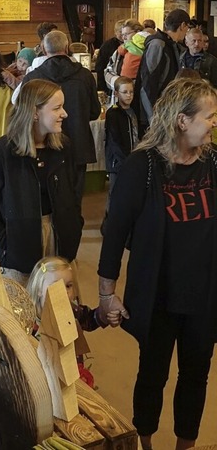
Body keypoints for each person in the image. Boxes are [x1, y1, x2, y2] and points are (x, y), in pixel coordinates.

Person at [98, 78, 217, 450]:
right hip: (159, 294)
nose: (214, 122)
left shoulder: (213, 162)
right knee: (152, 374)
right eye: (209, 116)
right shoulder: (143, 166)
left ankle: (186, 444)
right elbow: (114, 233)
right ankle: (144, 442)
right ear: (182, 121)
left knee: (196, 374)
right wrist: (107, 294)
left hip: (205, 295)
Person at [0, 79, 83, 285]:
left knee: (60, 312)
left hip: (61, 248)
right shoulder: (2, 153)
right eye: (57, 108)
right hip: (20, 254)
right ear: (35, 113)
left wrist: (75, 226)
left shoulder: (64, 148)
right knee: (23, 314)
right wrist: (5, 242)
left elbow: (73, 194)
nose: (65, 113)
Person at [22, 30, 101, 206]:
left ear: (43, 48)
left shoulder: (33, 77)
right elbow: (95, 112)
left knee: (46, 198)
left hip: (44, 144)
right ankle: (73, 231)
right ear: (67, 47)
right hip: (77, 142)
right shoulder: (84, 76)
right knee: (74, 198)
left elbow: (25, 112)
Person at [27, 256, 116, 388]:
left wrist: (106, 314)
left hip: (72, 367)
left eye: (68, 286)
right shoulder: (30, 321)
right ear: (39, 289)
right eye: (56, 286)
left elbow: (90, 320)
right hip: (44, 377)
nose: (64, 291)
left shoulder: (72, 310)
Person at [137, 8, 190, 127]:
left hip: (164, 111)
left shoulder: (172, 45)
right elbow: (147, 83)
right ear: (182, 25)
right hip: (154, 114)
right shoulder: (158, 44)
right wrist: (153, 119)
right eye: (187, 28)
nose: (187, 32)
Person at [104, 76, 139, 200]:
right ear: (116, 93)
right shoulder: (113, 114)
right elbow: (114, 142)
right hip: (118, 163)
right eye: (124, 92)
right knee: (116, 194)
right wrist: (124, 161)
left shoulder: (134, 112)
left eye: (131, 92)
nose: (129, 95)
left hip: (133, 159)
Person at [96, 20, 124, 92]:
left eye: (124, 32)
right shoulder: (108, 45)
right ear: (115, 32)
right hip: (109, 81)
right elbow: (100, 65)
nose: (123, 34)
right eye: (120, 31)